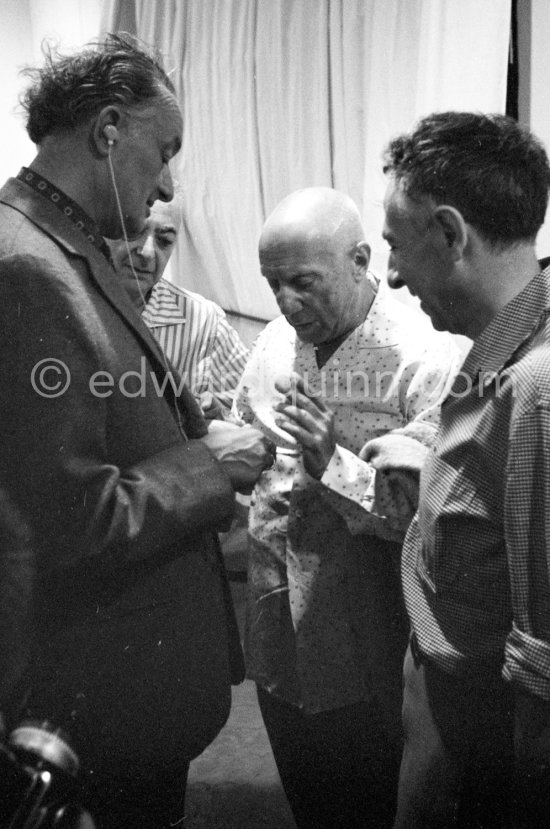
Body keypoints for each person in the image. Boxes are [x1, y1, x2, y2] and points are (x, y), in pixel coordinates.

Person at [0, 34, 271, 828]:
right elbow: (71, 519)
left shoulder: (57, 248)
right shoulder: (29, 267)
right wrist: (211, 464)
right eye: (167, 148)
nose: (169, 182)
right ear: (110, 130)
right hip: (96, 705)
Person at [234, 186, 460, 828]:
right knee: (308, 801)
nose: (285, 302)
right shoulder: (276, 340)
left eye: (303, 282)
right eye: (272, 283)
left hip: (370, 640)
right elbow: (249, 440)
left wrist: (330, 461)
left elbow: (423, 520)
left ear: (361, 259)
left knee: (372, 802)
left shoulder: (424, 356)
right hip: (278, 629)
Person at [380, 111, 550, 828]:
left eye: (396, 245)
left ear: (451, 233)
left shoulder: (536, 385)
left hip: (480, 754)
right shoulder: (500, 346)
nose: (390, 273)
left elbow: (542, 658)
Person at [108, 196, 249, 419]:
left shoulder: (204, 322)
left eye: (163, 241)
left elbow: (249, 409)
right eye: (133, 232)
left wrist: (217, 412)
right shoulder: (66, 302)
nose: (147, 252)